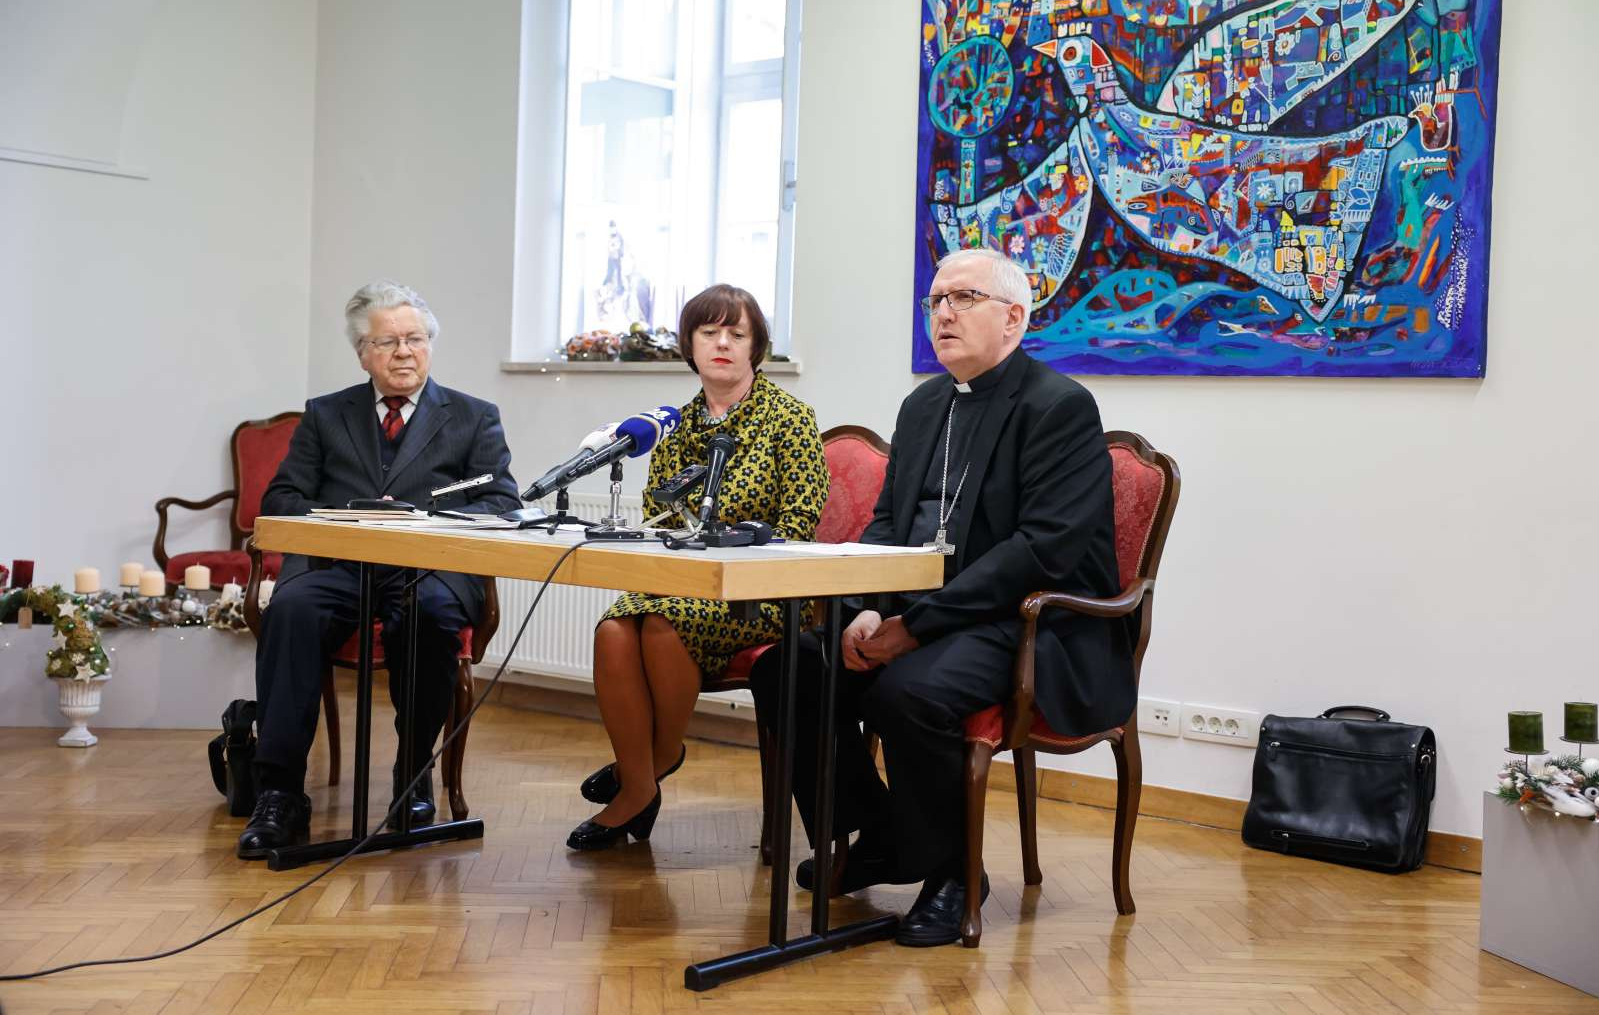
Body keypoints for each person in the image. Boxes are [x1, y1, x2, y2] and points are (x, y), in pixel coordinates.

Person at [748, 248, 1132, 946]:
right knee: (786, 666)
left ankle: (956, 873)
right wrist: (867, 605)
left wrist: (913, 628)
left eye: (964, 298)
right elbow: (890, 525)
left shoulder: (1058, 406)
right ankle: (886, 832)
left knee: (910, 692)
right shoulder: (924, 404)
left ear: (1014, 318)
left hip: (1029, 625)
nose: (943, 313)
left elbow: (1039, 551)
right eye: (935, 301)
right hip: (926, 615)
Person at [238, 280, 521, 858]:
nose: (403, 352)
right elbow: (282, 498)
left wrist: (425, 519)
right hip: (339, 564)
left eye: (415, 339)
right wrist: (352, 515)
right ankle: (281, 792)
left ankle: (412, 781)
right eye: (387, 342)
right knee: (291, 610)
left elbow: (501, 502)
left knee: (430, 615)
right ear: (362, 353)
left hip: (429, 567)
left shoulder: (473, 417)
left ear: (430, 345)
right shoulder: (325, 414)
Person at [570, 285, 830, 851]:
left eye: (737, 334)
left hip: (761, 591)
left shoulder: (789, 418)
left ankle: (652, 766)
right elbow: (658, 519)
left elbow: (800, 522)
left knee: (663, 626)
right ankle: (641, 783)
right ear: (689, 344)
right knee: (614, 630)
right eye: (710, 332)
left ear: (755, 348)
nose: (722, 343)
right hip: (680, 580)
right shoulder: (671, 425)